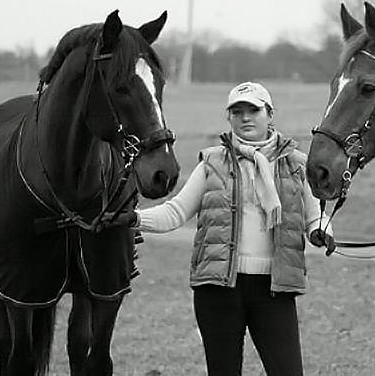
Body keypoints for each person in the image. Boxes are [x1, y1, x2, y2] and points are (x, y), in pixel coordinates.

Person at [115, 81, 334, 376]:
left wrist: (322, 231)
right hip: (218, 289)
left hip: (274, 289)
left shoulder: (296, 164)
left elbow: (313, 217)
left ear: (270, 114)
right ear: (228, 117)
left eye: (253, 110)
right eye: (237, 111)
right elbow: (176, 212)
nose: (245, 118)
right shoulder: (212, 162)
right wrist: (133, 218)